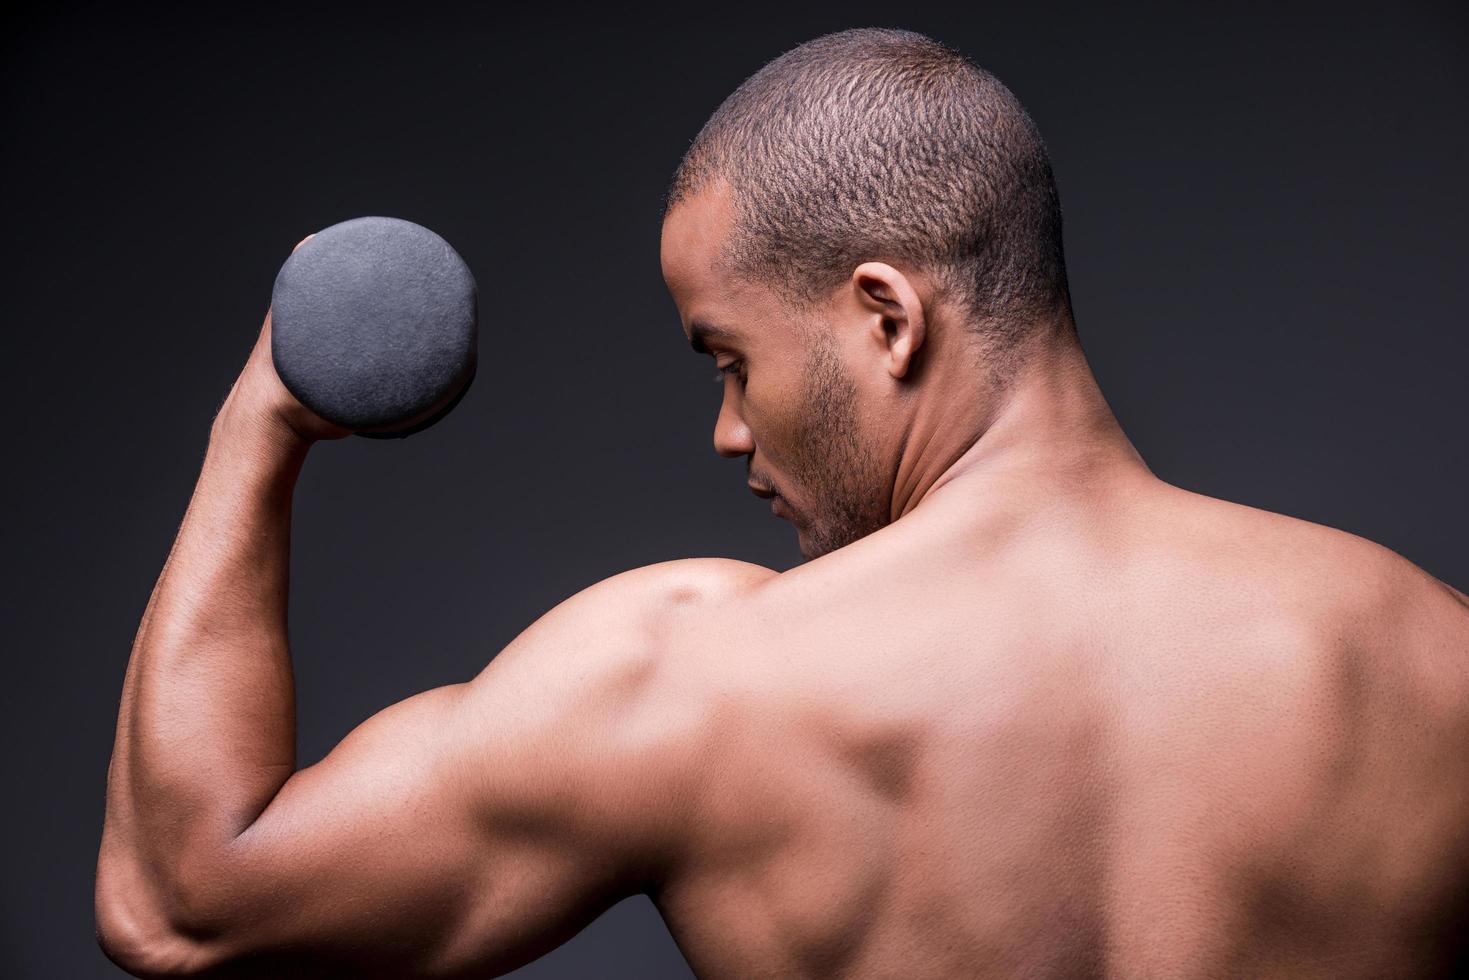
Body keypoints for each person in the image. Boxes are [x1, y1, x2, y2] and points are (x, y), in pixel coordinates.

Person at [96, 26, 1468, 979]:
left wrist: (261, 418)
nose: (726, 430)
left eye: (729, 359)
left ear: (884, 317)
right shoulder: (1431, 658)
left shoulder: (697, 677)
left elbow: (179, 908)